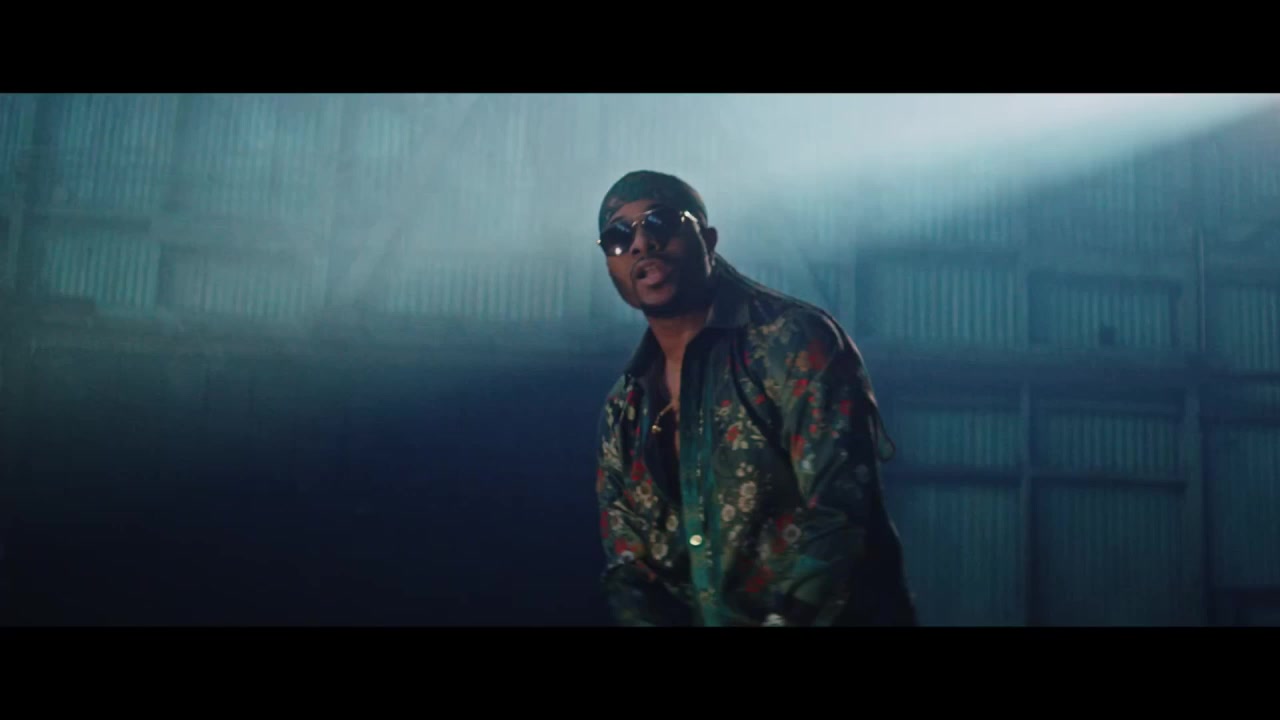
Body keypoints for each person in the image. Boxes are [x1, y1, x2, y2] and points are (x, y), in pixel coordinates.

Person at [592, 170, 917, 627]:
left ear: (708, 240)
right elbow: (628, 564)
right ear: (611, 267)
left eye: (660, 222)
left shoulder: (794, 341)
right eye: (619, 236)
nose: (642, 243)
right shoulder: (624, 408)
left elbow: (840, 507)